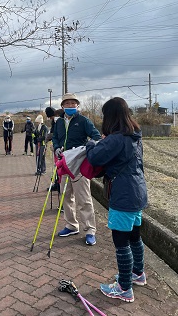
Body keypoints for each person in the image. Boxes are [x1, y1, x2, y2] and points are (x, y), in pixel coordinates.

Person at [86, 97, 147, 303]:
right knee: (135, 237)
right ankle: (138, 274)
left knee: (121, 242)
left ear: (110, 116)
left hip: (122, 195)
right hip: (137, 193)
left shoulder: (116, 139)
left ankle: (124, 288)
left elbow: (95, 158)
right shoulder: (135, 136)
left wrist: (91, 144)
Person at [52, 93, 101, 246]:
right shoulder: (59, 122)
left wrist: (89, 147)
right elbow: (55, 137)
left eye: (74, 103)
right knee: (66, 196)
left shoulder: (83, 120)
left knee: (84, 198)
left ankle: (90, 230)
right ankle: (71, 225)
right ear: (62, 106)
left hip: (79, 164)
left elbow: (96, 136)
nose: (71, 106)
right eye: (68, 103)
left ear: (77, 105)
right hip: (64, 163)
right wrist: (56, 148)